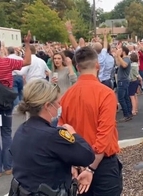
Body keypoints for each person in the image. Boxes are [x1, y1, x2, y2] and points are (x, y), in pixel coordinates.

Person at [9, 79, 95, 196]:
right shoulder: (53, 136)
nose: (59, 106)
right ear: (48, 106)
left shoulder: (22, 130)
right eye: (57, 103)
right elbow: (87, 156)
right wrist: (73, 133)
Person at [59, 46, 122, 196]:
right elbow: (104, 135)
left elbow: (61, 131)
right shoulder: (106, 94)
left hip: (78, 161)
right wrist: (91, 168)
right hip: (102, 165)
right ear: (97, 65)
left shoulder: (67, 96)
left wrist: (72, 163)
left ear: (77, 67)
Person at [0, 31, 32, 177]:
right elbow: (27, 61)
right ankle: (8, 166)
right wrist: (27, 43)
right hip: (5, 102)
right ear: (0, 49)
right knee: (6, 132)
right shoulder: (7, 62)